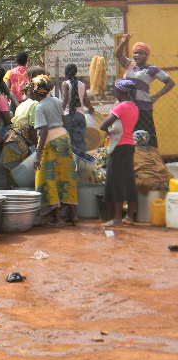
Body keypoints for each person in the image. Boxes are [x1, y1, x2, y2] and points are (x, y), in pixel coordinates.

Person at [33, 75, 78, 227]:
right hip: (64, 137)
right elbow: (65, 121)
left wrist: (38, 155)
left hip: (51, 141)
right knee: (67, 176)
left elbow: (44, 130)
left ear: (37, 92)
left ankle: (57, 219)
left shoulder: (39, 107)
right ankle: (73, 216)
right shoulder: (57, 101)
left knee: (50, 177)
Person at [115, 35, 175, 147]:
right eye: (135, 52)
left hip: (143, 107)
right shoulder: (130, 64)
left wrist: (156, 96)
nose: (137, 55)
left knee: (146, 135)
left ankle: (151, 159)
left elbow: (170, 83)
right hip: (127, 106)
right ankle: (134, 160)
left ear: (147, 55)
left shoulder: (152, 69)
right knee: (128, 135)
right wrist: (124, 42)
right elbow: (118, 55)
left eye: (141, 53)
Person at [99, 79, 140, 227]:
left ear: (122, 91)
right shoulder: (135, 107)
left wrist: (109, 131)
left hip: (118, 147)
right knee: (129, 181)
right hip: (129, 146)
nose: (115, 92)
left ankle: (117, 218)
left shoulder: (121, 107)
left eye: (116, 90)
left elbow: (103, 125)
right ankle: (129, 217)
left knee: (115, 182)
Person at [61, 63, 95, 155]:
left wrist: (60, 113)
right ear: (75, 72)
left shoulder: (65, 84)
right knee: (81, 141)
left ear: (66, 73)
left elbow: (65, 100)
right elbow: (85, 99)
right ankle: (82, 163)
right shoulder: (82, 84)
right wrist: (91, 108)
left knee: (70, 143)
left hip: (68, 116)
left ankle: (72, 165)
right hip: (80, 116)